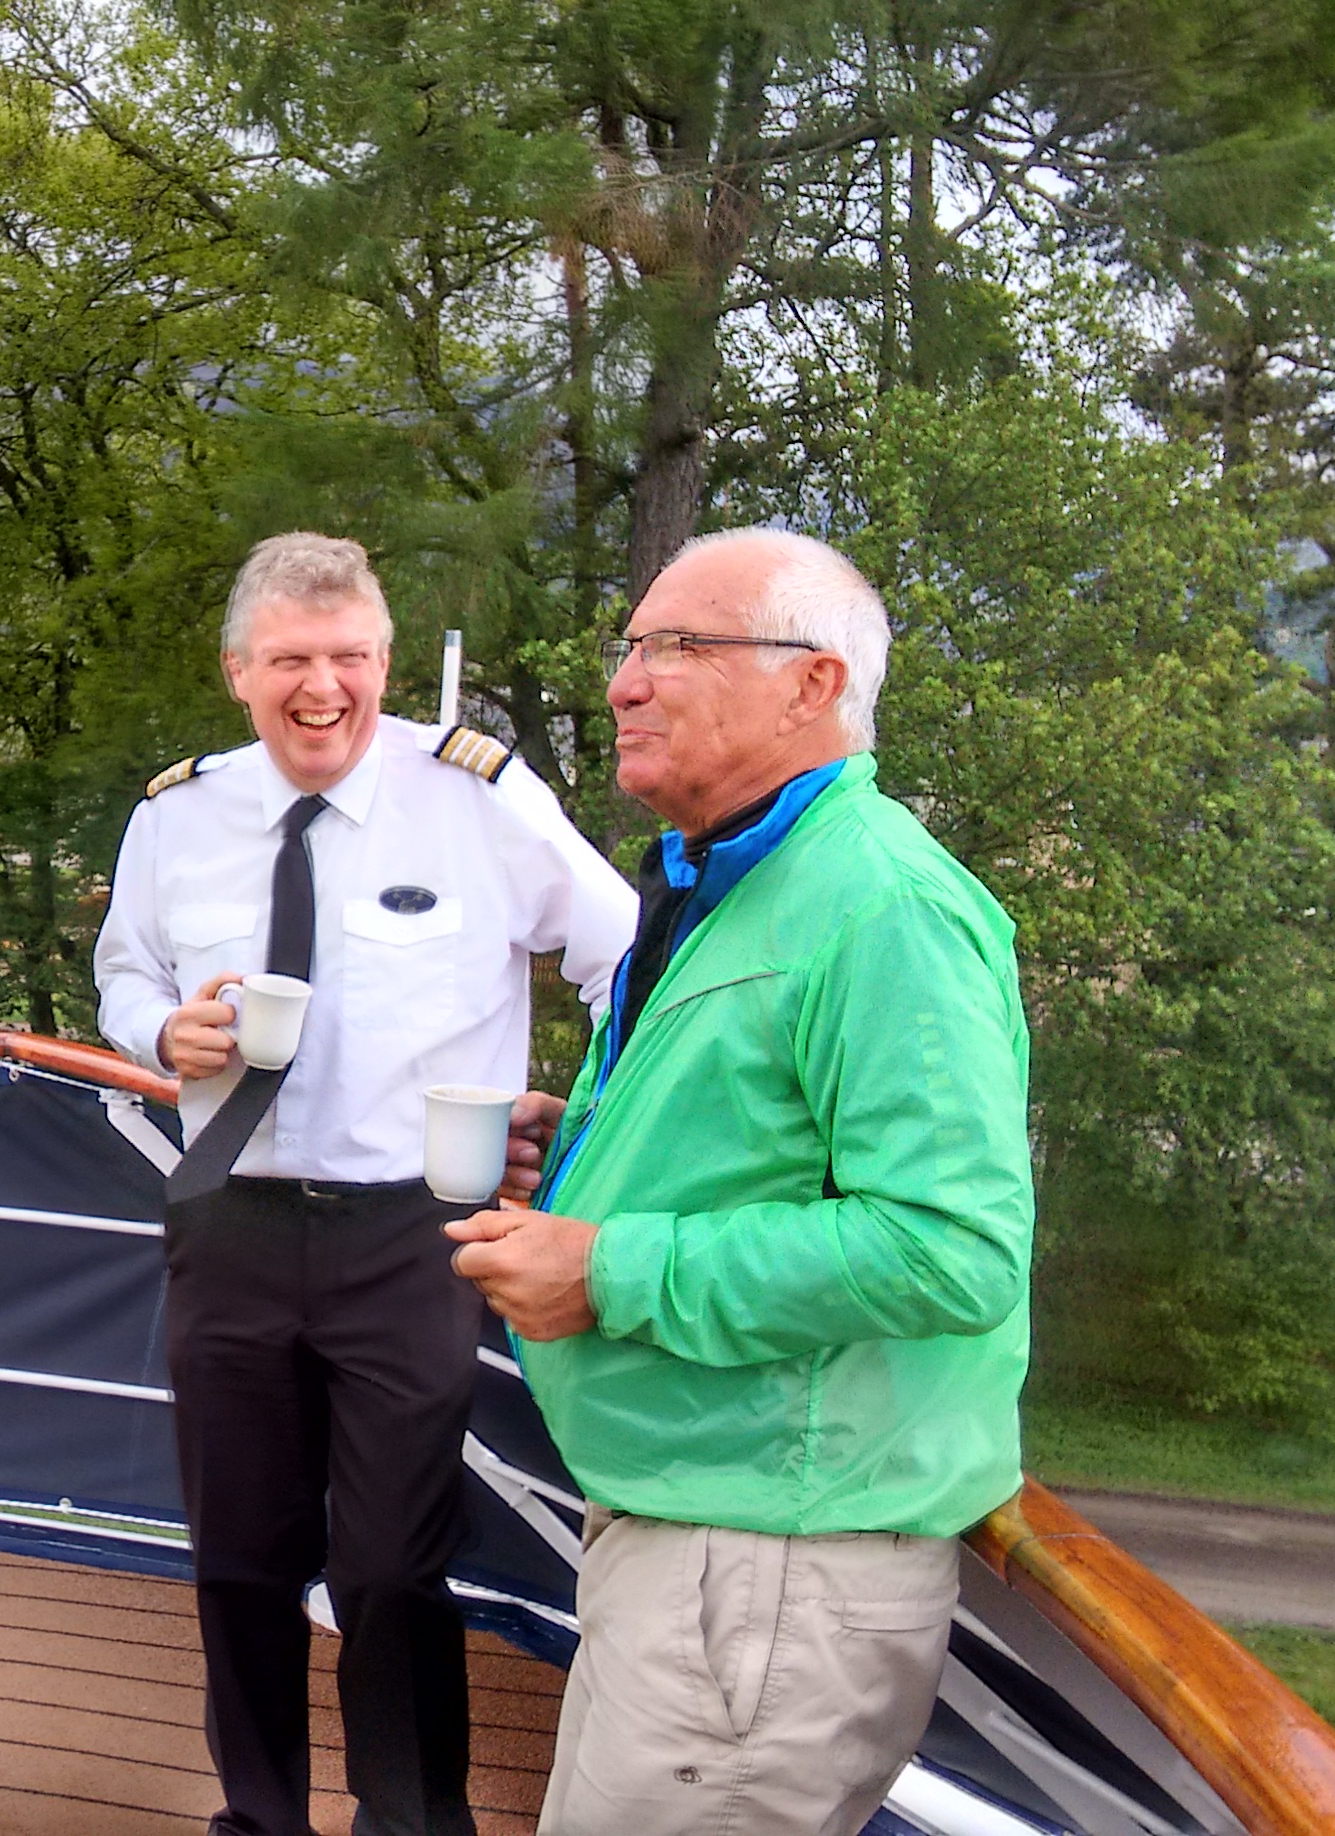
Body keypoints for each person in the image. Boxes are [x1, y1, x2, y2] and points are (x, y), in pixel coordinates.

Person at [447, 528, 1032, 1836]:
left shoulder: (883, 906)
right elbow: (769, 1135)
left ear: (813, 684)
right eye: (631, 648)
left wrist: (607, 1268)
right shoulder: (740, 879)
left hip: (770, 1571)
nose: (624, 684)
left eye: (678, 648)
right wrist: (585, 1143)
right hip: (711, 1548)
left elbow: (951, 1249)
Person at [93, 533, 635, 1836]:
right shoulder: (176, 815)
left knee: (393, 1562)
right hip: (227, 1215)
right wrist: (163, 1031)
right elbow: (123, 972)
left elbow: (623, 961)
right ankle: (259, 1819)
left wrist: (589, 1136)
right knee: (239, 1561)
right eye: (291, 659)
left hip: (412, 1232)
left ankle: (414, 1822)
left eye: (350, 658)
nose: (323, 687)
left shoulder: (475, 797)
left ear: (386, 662)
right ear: (239, 669)